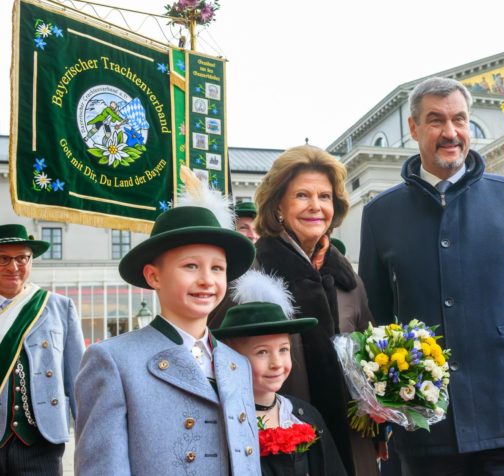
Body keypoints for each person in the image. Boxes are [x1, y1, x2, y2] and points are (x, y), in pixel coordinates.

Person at [358, 77, 504, 476]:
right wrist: (381, 404)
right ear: (413, 129)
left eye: (460, 120)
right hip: (427, 428)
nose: (450, 132)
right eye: (436, 121)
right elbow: (374, 319)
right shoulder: (380, 214)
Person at [74, 204, 261, 475]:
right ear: (154, 276)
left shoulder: (237, 364)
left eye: (218, 268)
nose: (207, 280)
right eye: (191, 266)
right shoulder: (114, 360)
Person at [252, 145, 378, 476]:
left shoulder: (349, 281)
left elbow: (372, 359)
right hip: (281, 448)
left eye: (324, 197)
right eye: (302, 196)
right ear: (278, 205)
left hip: (354, 445)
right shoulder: (251, 277)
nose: (315, 206)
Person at [213, 273, 346, 476]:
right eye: (262, 352)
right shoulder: (220, 421)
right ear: (232, 359)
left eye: (283, 349)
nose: (276, 363)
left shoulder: (305, 416)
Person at [0, 224, 85, 475]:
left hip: (42, 439)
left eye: (22, 258)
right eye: (3, 258)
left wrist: (89, 436)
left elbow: (78, 379)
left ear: (31, 260)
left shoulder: (59, 307)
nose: (14, 267)